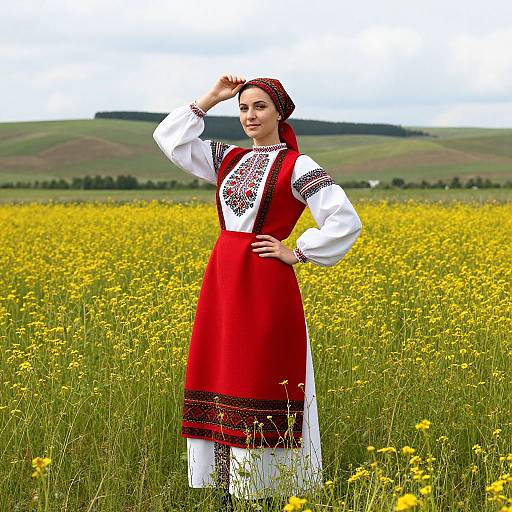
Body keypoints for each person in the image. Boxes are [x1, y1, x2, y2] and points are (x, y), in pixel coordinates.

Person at [152, 74, 363, 510]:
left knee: (260, 372)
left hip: (265, 282)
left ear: (280, 113)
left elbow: (344, 220)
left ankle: (266, 488)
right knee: (222, 370)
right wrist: (210, 98)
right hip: (224, 278)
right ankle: (230, 488)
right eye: (244, 108)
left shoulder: (298, 166)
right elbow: (169, 139)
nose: (250, 116)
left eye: (260, 107)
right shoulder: (227, 159)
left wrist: (298, 252)